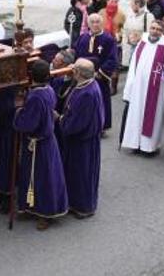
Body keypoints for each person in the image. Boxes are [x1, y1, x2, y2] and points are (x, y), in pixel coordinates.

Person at [15, 60, 68, 231]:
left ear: (31, 76)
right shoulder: (48, 89)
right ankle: (30, 206)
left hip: (39, 144)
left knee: (43, 180)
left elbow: (28, 124)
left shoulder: (36, 96)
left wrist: (17, 113)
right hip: (44, 142)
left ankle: (45, 213)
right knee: (33, 177)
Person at [58, 59, 104, 218]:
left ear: (77, 73)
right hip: (84, 140)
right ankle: (76, 203)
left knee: (81, 174)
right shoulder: (89, 85)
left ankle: (83, 207)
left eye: (74, 69)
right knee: (79, 173)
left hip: (82, 141)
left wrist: (60, 120)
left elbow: (77, 123)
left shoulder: (86, 93)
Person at [120, 20, 164, 155]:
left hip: (156, 89)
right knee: (136, 114)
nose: (154, 31)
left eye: (158, 29)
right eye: (153, 28)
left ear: (162, 31)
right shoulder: (142, 43)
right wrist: (129, 87)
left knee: (153, 117)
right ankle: (135, 143)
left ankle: (149, 147)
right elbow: (133, 66)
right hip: (138, 88)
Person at [74, 13, 118, 132]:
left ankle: (100, 126)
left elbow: (112, 59)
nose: (95, 24)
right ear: (88, 24)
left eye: (97, 21)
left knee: (100, 101)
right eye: (92, 22)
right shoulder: (83, 37)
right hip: (81, 77)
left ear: (102, 23)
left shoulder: (108, 39)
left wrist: (100, 73)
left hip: (99, 76)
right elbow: (76, 54)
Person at [99, 0, 125, 76]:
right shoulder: (101, 12)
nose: (113, 4)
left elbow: (124, 28)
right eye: (111, 1)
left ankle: (114, 87)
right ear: (107, 2)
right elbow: (97, 25)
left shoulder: (121, 14)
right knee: (102, 63)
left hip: (115, 43)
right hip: (102, 41)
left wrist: (119, 34)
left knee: (115, 65)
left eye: (116, 2)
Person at [123, 0, 151, 66]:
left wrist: (139, 38)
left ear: (137, 4)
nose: (130, 6)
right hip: (130, 46)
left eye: (132, 4)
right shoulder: (130, 15)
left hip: (142, 48)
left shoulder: (148, 16)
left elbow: (151, 34)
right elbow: (126, 30)